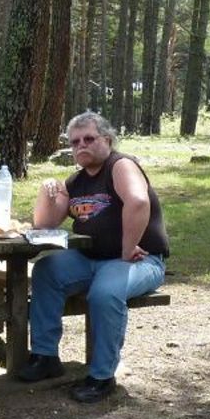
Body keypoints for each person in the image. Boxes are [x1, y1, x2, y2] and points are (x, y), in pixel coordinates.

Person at [17, 111, 170, 403]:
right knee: (46, 271)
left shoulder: (120, 165)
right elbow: (44, 224)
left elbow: (138, 202)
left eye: (89, 139)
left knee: (105, 293)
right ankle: (45, 356)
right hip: (90, 259)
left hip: (140, 260)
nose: (81, 146)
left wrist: (128, 247)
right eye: (75, 142)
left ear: (107, 140)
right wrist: (47, 191)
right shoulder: (75, 181)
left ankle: (101, 376)